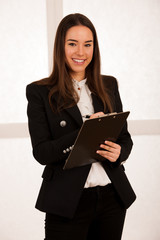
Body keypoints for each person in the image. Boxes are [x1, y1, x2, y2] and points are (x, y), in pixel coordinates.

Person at [26, 13, 136, 240]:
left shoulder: (109, 84)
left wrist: (119, 152)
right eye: (72, 44)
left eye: (88, 44)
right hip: (67, 201)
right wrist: (85, 132)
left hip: (111, 198)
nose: (81, 52)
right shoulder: (40, 92)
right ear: (60, 47)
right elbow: (42, 152)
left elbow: (124, 138)